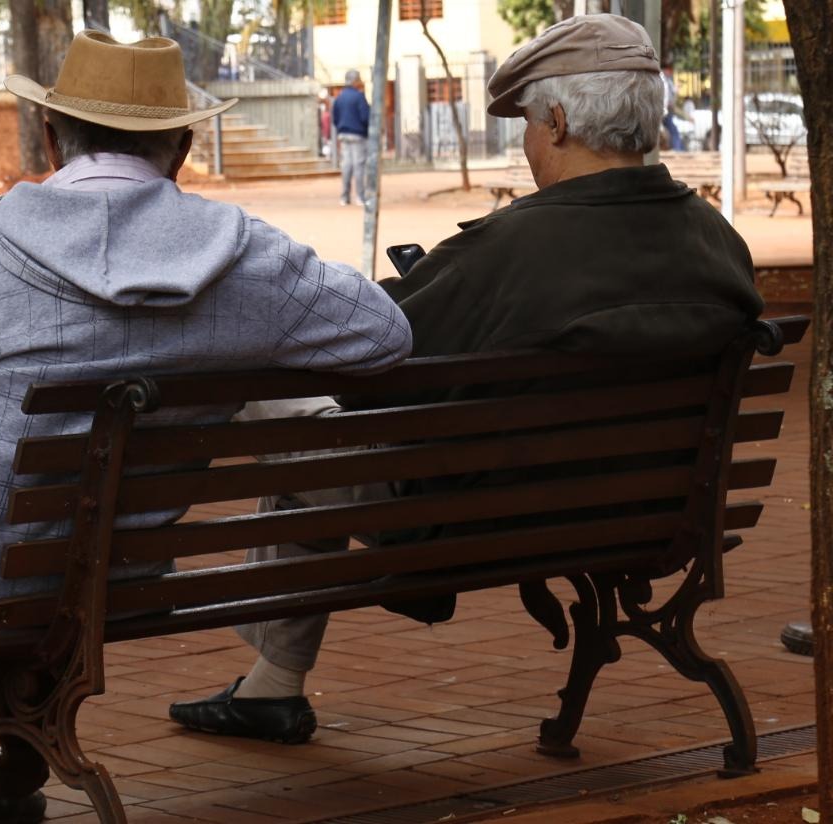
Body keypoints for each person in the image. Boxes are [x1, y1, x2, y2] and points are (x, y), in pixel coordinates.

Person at [0, 31, 412, 824]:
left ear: (52, 136)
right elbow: (384, 334)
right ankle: (5, 783)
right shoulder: (244, 255)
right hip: (114, 576)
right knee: (41, 559)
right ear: (182, 147)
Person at [168, 13, 764, 746]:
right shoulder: (721, 244)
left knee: (285, 404)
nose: (527, 141)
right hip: (647, 513)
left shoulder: (510, 250)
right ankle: (269, 686)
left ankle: (274, 683)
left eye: (528, 123)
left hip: (469, 524)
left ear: (558, 120)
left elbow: (366, 363)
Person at [331, 68, 370, 206]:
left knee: (346, 166)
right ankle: (360, 197)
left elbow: (334, 118)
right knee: (359, 166)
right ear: (355, 81)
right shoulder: (359, 97)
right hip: (358, 135)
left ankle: (344, 197)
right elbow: (366, 117)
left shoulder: (339, 97)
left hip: (343, 135)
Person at [661, 63, 684, 151]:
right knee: (672, 130)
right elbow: (667, 96)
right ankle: (678, 149)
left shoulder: (668, 80)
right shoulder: (663, 78)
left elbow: (671, 93)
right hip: (664, 109)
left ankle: (678, 148)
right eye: (669, 70)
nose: (671, 72)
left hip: (667, 109)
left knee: (672, 130)